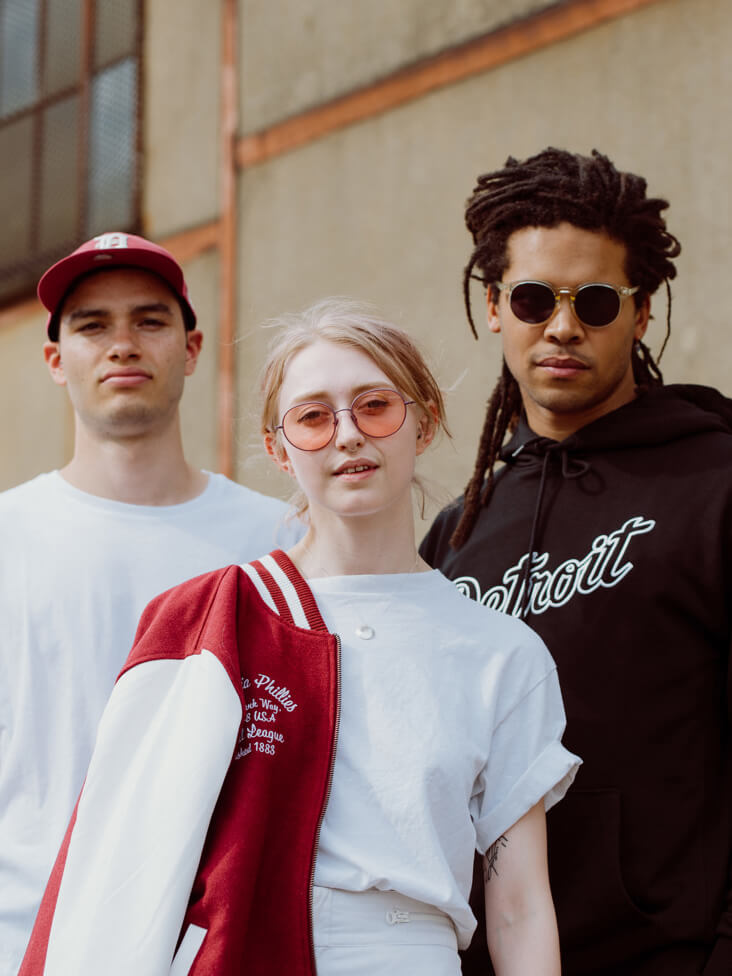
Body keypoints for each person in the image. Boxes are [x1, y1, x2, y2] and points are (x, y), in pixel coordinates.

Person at [20, 298, 579, 975]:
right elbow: (123, 860)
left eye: (375, 406)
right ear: (278, 449)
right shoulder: (212, 617)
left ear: (424, 422)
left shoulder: (502, 652)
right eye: (313, 418)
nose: (348, 435)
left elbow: (520, 910)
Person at [420, 148, 732, 976]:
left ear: (641, 311)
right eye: (533, 299)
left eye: (594, 301)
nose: (563, 326)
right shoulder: (454, 537)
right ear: (494, 308)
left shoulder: (714, 487)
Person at [0, 231, 302, 976]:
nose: (123, 345)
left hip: (210, 950)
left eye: (150, 320)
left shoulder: (280, 540)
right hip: (24, 942)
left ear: (192, 348)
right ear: (54, 360)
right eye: (92, 325)